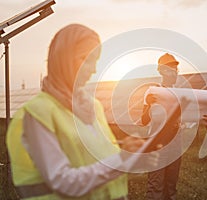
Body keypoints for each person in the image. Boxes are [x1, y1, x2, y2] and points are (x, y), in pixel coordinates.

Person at [6, 24, 148, 200]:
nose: (93, 69)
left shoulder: (92, 106)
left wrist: (129, 156)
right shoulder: (38, 112)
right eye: (85, 59)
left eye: (95, 61)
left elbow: (96, 161)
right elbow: (64, 181)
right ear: (63, 59)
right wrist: (120, 161)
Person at [141, 53, 182, 200]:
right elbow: (144, 120)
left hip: (176, 144)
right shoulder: (152, 91)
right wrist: (149, 106)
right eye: (172, 69)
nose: (175, 73)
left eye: (176, 69)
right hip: (158, 144)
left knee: (171, 186)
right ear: (162, 71)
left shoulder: (180, 94)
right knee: (156, 185)